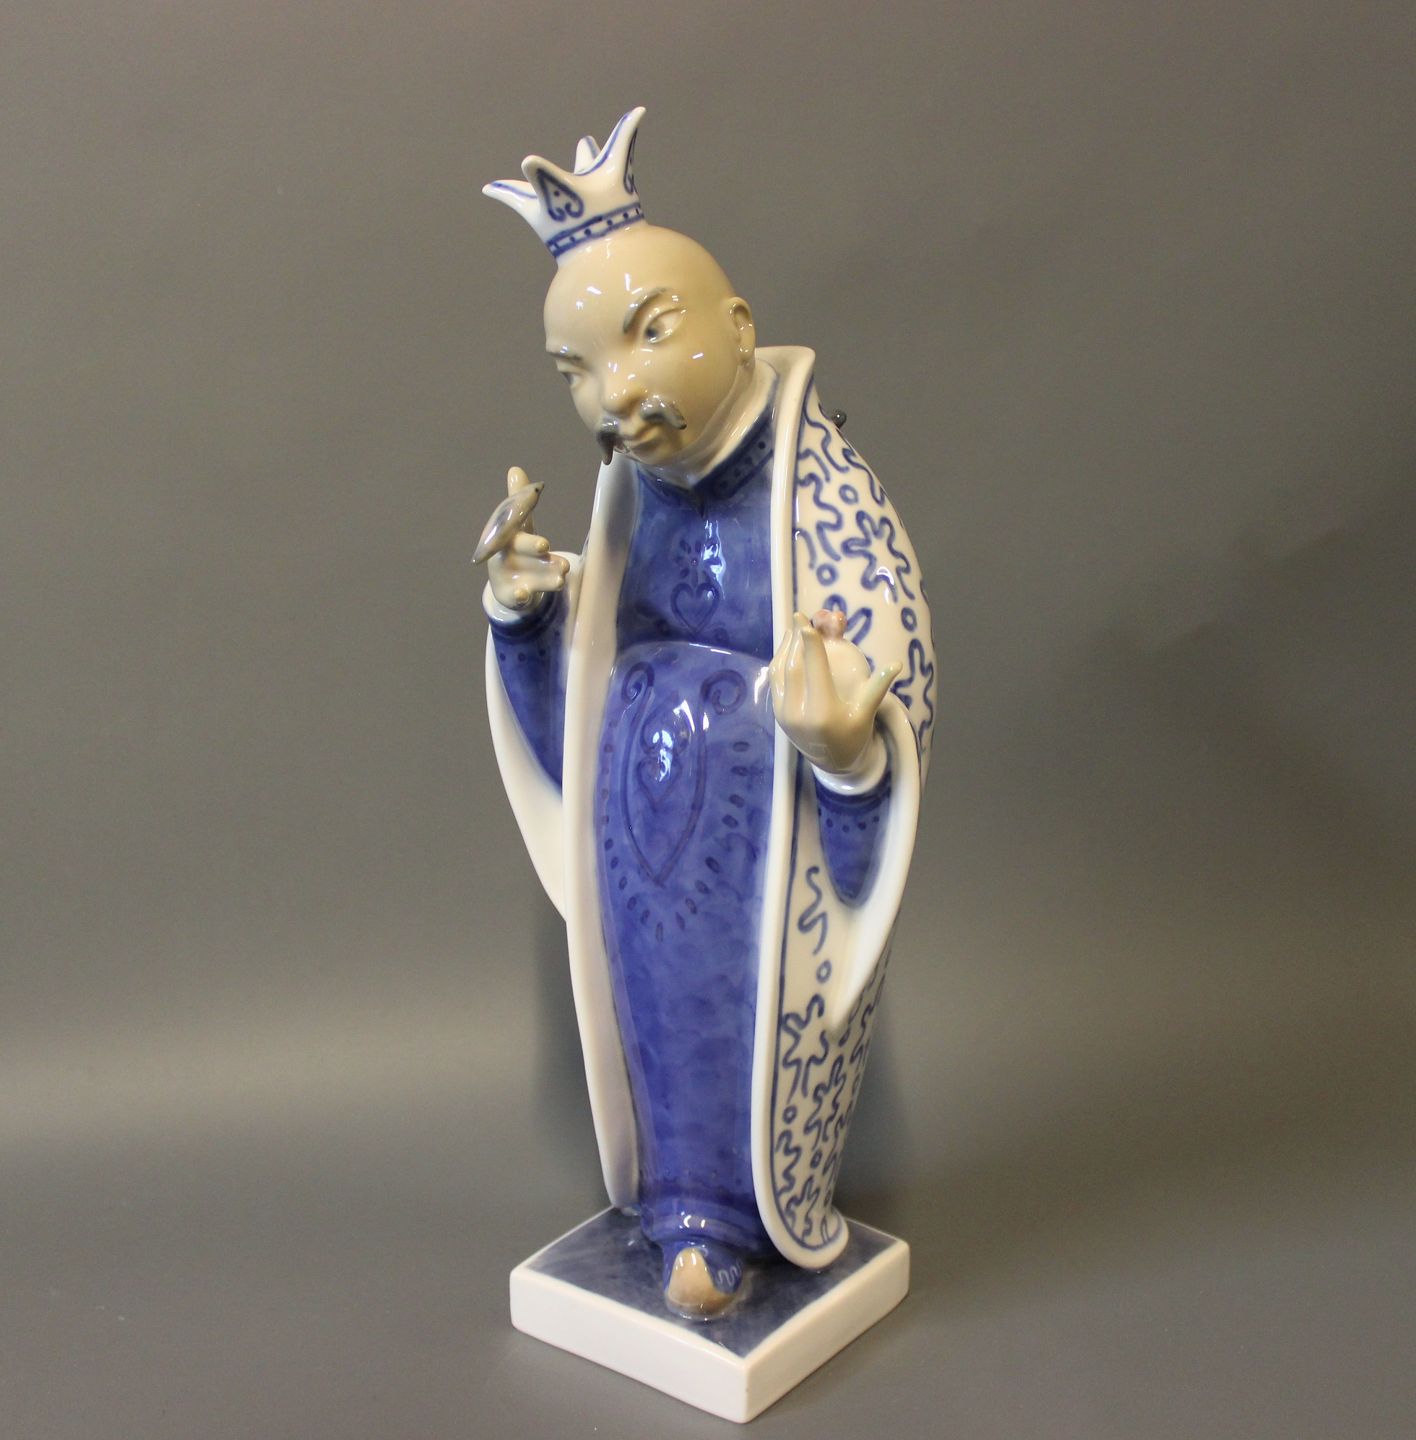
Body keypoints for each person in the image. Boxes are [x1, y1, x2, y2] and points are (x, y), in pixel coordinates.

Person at [479, 108, 934, 1318]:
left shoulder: (835, 514)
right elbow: (574, 738)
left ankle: (740, 1211)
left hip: (759, 862)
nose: (613, 395)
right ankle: (685, 1205)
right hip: (647, 853)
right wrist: (527, 626)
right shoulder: (633, 501)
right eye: (575, 370)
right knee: (660, 1015)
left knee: (745, 1015)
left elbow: (888, 724)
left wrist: (847, 752)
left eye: (647, 335)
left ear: (738, 329)